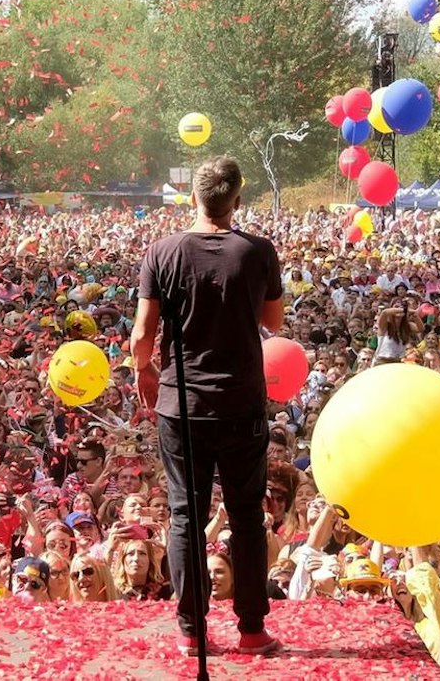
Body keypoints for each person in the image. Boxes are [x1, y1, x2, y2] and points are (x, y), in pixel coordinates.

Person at [132, 156, 284, 658]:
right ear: (237, 200)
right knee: (246, 516)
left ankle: (192, 630)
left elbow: (142, 333)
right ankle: (252, 629)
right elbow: (274, 323)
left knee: (185, 515)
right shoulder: (258, 251)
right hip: (241, 402)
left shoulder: (163, 251)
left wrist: (144, 370)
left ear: (194, 197)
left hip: (182, 403)